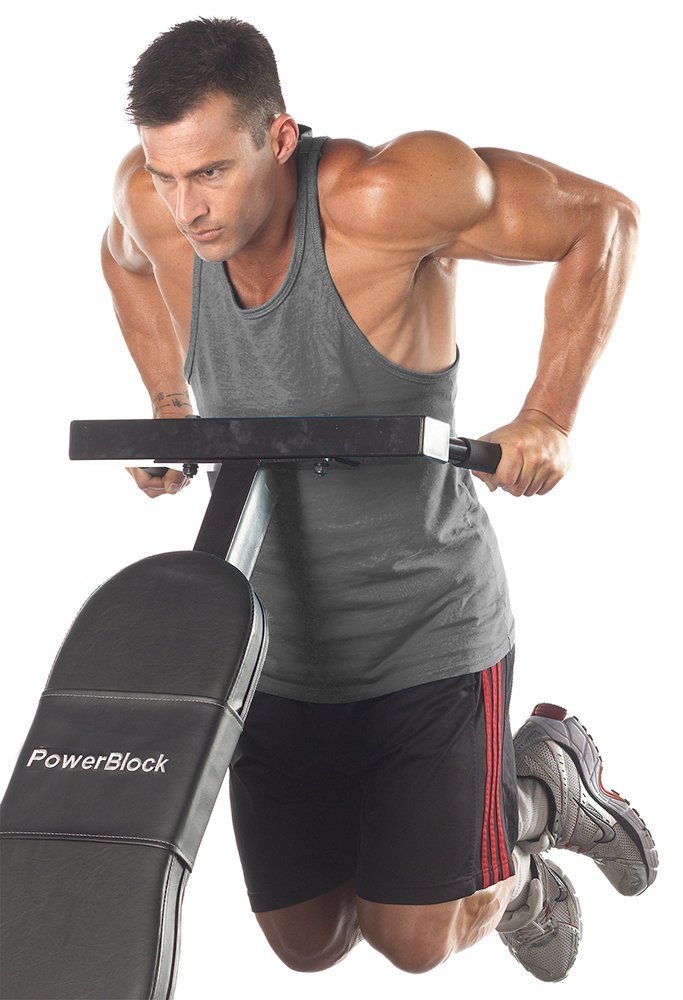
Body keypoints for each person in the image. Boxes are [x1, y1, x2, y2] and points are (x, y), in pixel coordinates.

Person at [102, 16, 657, 982]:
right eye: (166, 174)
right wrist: (170, 411)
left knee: (412, 940)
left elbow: (601, 221)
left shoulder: (390, 195)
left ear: (279, 136)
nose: (185, 207)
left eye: (212, 172)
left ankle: (538, 806)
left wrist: (547, 416)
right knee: (306, 944)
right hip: (267, 641)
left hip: (425, 632)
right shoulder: (153, 204)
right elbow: (121, 256)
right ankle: (500, 835)